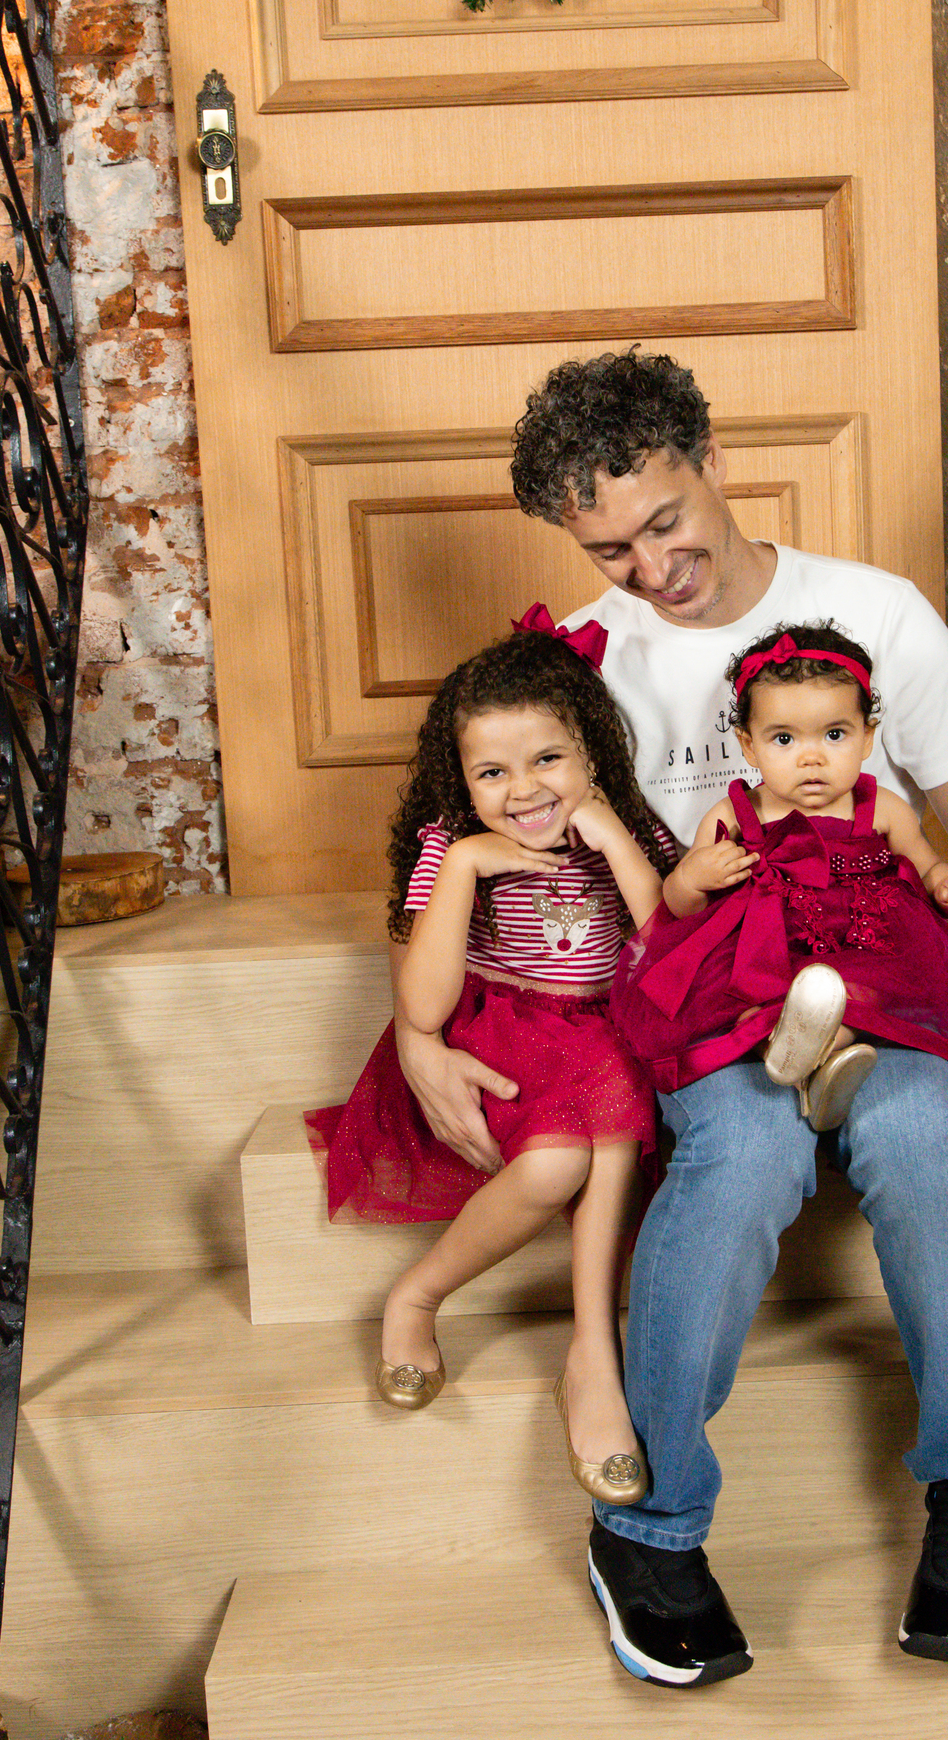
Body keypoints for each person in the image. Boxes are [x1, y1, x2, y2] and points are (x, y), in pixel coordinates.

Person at [394, 349, 948, 1685]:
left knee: (925, 1138)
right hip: (709, 1001)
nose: (652, 568)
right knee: (743, 1152)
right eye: (610, 550)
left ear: (714, 462)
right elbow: (467, 832)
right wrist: (418, 1034)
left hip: (888, 985)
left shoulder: (875, 612)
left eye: (666, 521)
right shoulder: (585, 664)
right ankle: (650, 1524)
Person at [307, 613, 674, 1505]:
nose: (524, 790)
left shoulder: (626, 827)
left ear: (592, 754)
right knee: (557, 1164)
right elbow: (424, 1007)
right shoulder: (451, 845)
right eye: (492, 772)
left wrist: (616, 839)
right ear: (461, 778)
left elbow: (669, 957)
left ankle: (592, 1350)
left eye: (548, 759)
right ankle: (422, 1296)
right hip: (504, 1032)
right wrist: (469, 866)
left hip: (604, 1030)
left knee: (612, 1117)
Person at [610, 620, 948, 1144]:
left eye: (835, 734)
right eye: (784, 739)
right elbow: (680, 907)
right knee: (749, 1012)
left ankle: (822, 1057)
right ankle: (797, 1055)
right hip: (767, 951)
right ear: (748, 745)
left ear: (867, 736)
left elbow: (926, 864)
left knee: (865, 1000)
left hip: (867, 944)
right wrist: (692, 876)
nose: (812, 757)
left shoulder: (880, 807)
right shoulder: (734, 815)